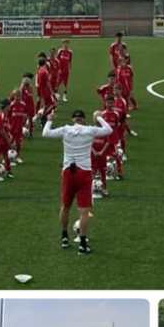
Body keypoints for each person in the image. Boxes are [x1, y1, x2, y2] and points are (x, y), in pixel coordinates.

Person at [42, 108, 113, 254]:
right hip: (84, 172)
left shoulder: (66, 130)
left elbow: (45, 133)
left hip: (68, 171)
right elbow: (108, 130)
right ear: (83, 119)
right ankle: (82, 243)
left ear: (73, 119)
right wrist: (99, 117)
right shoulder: (89, 130)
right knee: (84, 211)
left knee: (65, 206)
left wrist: (50, 119)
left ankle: (64, 236)